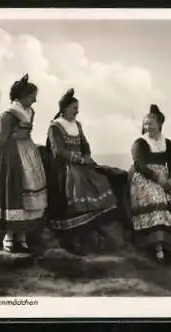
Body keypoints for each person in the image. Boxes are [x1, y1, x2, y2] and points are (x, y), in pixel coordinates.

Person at [44, 88, 121, 254]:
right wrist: (77, 159)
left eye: (77, 108)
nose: (77, 111)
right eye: (74, 108)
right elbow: (58, 152)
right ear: (64, 108)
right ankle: (73, 237)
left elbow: (85, 145)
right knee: (77, 182)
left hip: (81, 164)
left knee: (101, 178)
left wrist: (86, 156)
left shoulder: (77, 125)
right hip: (65, 167)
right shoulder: (55, 127)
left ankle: (91, 232)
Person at [0, 74, 47, 254]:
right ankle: (8, 237)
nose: (35, 100)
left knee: (28, 193)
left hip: (28, 152)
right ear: (21, 96)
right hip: (13, 155)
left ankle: (22, 237)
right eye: (32, 96)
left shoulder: (30, 112)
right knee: (13, 192)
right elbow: (1, 138)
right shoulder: (9, 114)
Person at [128, 104, 171, 269]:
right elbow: (139, 165)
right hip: (144, 178)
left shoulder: (167, 144)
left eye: (151, 123)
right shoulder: (140, 143)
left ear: (160, 124)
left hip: (164, 179)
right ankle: (159, 249)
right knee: (157, 200)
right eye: (146, 123)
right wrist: (157, 177)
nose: (148, 126)